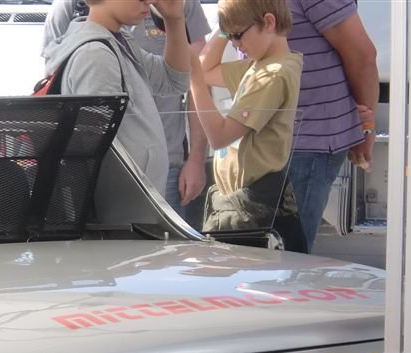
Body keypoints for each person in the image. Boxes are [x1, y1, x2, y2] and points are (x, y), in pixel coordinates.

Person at [43, 0, 210, 219]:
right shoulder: (96, 55)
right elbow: (101, 151)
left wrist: (174, 19)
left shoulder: (117, 41)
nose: (148, 1)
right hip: (124, 214)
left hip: (135, 206)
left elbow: (174, 81)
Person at [189, 0, 307, 251]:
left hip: (254, 207)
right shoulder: (258, 66)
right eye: (229, 37)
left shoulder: (273, 74)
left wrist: (196, 85)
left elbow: (219, 137)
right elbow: (205, 68)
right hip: (241, 202)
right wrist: (226, 28)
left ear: (269, 22)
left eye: (238, 35)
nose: (235, 44)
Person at [285, 0, 377, 252]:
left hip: (306, 142)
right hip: (275, 139)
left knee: (288, 258)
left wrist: (365, 128)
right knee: (274, 257)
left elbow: (363, 55)